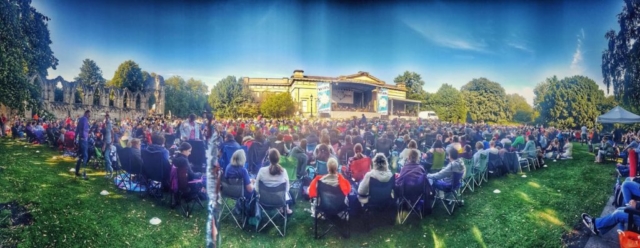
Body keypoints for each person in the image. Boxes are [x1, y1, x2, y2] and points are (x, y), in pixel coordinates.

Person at [255, 149, 292, 214]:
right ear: (279, 158)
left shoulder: (261, 170)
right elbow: (287, 189)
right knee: (289, 196)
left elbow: (256, 188)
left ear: (269, 158)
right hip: (279, 200)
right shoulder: (283, 171)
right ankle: (285, 209)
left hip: (264, 200)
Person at [74, 110, 91, 180]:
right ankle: (83, 174)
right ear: (86, 114)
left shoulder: (81, 119)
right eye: (89, 114)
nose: (89, 116)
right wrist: (86, 136)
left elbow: (77, 129)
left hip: (80, 140)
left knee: (80, 156)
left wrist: (75, 139)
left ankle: (77, 171)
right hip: (84, 140)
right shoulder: (85, 120)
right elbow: (84, 130)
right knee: (85, 156)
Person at [103, 112, 114, 178]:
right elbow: (106, 137)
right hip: (106, 143)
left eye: (107, 117)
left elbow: (112, 135)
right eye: (105, 117)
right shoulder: (106, 125)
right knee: (105, 158)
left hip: (108, 144)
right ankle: (107, 172)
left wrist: (111, 144)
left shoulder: (109, 125)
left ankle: (111, 170)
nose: (106, 118)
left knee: (106, 156)